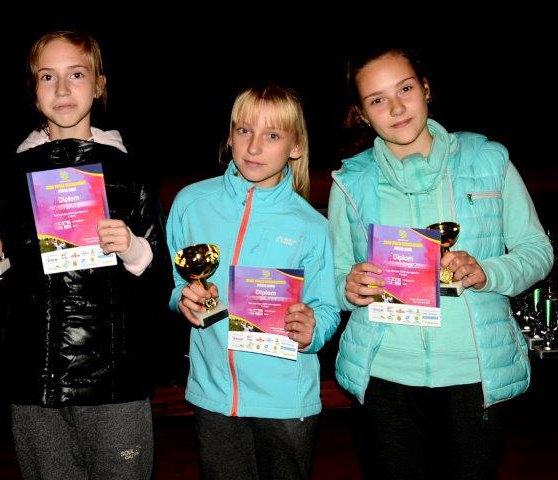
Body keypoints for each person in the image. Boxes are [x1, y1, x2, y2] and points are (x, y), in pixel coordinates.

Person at [328, 46, 554, 479]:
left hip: (474, 374)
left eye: (405, 89)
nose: (396, 108)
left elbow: (537, 249)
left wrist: (488, 272)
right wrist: (347, 287)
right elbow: (335, 277)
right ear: (362, 114)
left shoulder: (488, 160)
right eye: (377, 99)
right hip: (385, 376)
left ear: (426, 89)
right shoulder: (350, 181)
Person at [0, 30, 168, 480]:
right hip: (34, 383)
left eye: (76, 74)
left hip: (115, 383)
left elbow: (161, 284)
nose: (61, 89)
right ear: (33, 90)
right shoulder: (9, 178)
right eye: (47, 77)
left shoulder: (132, 171)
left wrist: (134, 249)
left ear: (99, 84)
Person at [166, 82, 340, 480]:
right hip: (214, 395)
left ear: (295, 147)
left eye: (273, 135)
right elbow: (174, 282)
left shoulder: (311, 226)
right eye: (244, 130)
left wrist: (311, 330)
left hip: (285, 402)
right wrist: (183, 298)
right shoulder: (191, 203)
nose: (254, 146)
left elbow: (327, 308)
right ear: (230, 136)